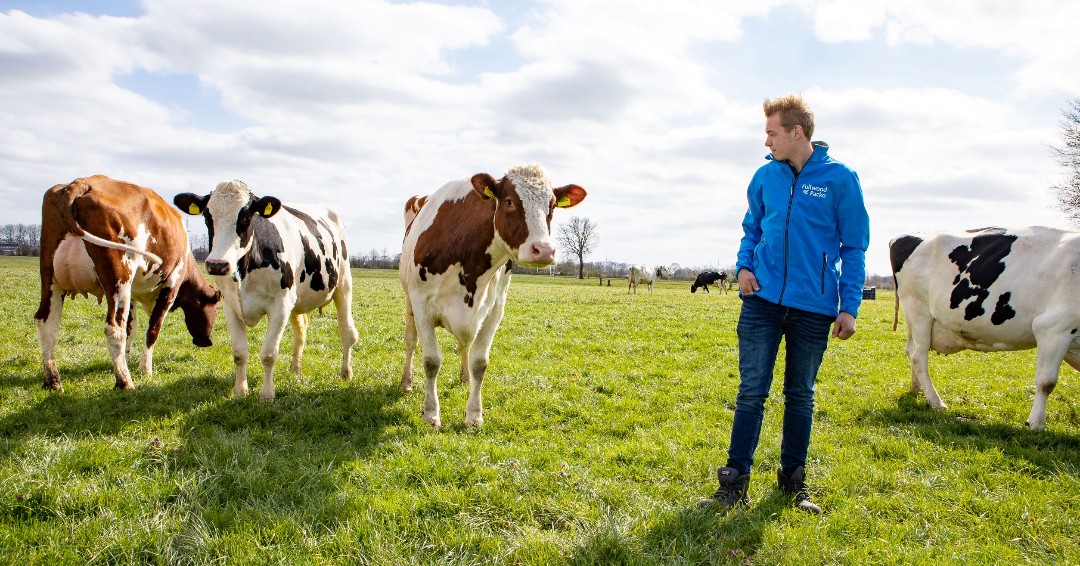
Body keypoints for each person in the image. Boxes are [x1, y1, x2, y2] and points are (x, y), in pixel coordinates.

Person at [698, 94, 870, 514]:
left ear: (797, 132)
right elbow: (751, 229)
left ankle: (793, 484)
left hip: (814, 307)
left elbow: (855, 246)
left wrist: (849, 306)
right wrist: (742, 268)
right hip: (762, 302)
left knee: (800, 395)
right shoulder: (763, 177)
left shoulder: (841, 179)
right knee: (751, 391)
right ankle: (733, 483)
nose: (767, 141)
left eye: (772, 133)